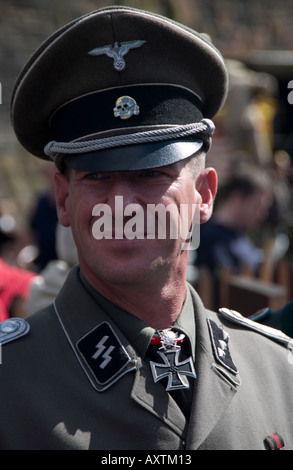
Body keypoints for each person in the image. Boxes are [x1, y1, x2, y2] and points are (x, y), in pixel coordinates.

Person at [1, 6, 293, 451]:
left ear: (204, 195)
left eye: (150, 174)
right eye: (96, 176)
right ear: (63, 199)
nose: (120, 205)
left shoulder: (278, 371)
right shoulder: (11, 384)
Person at [196, 168, 273, 277]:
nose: (261, 215)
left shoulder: (240, 237)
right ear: (237, 199)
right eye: (257, 207)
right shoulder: (211, 240)